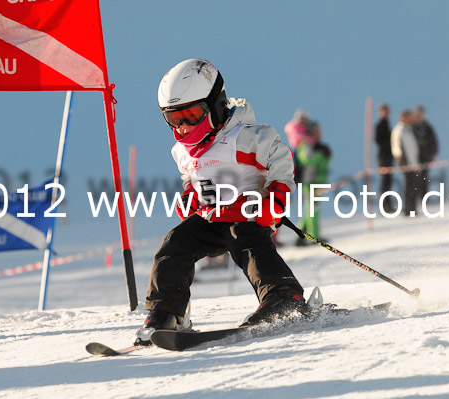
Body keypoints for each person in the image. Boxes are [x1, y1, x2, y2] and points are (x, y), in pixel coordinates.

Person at [135, 58, 308, 345]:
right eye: (173, 119)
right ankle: (164, 313)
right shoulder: (182, 151)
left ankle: (283, 296)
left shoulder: (247, 137)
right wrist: (190, 197)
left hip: (247, 214)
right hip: (211, 217)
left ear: (215, 105)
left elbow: (281, 161)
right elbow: (191, 179)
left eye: (191, 115)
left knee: (249, 244)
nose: (184, 127)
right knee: (174, 243)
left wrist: (275, 199)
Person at [295, 121, 331, 246]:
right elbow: (308, 159)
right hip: (309, 182)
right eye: (317, 131)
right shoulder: (305, 144)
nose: (319, 133)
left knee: (310, 210)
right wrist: (321, 155)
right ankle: (314, 237)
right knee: (313, 209)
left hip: (316, 181)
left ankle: (299, 236)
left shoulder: (315, 145)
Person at [391, 109, 421, 215]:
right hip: (406, 163)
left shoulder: (408, 129)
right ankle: (408, 209)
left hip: (412, 163)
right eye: (409, 117)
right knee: (409, 186)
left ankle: (412, 208)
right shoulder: (400, 130)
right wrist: (402, 161)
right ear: (403, 118)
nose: (411, 119)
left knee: (413, 186)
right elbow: (398, 148)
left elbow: (412, 148)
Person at [412, 105, 439, 199]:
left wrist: (433, 153)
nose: (418, 117)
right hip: (414, 158)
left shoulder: (427, 127)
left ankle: (424, 197)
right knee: (414, 179)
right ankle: (414, 198)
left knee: (424, 177)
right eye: (416, 115)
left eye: (419, 115)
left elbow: (433, 141)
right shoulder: (411, 127)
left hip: (425, 157)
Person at [374, 103, 395, 212]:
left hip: (388, 156)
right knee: (385, 182)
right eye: (384, 111)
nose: (386, 113)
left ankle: (388, 204)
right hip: (383, 156)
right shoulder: (380, 124)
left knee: (388, 181)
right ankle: (384, 205)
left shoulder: (387, 123)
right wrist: (387, 144)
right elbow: (377, 140)